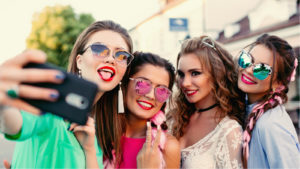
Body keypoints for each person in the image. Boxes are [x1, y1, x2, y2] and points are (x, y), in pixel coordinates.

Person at [0, 20, 134, 168]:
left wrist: (89, 149)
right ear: (79, 61)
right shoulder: (49, 103)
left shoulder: (98, 133)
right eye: (99, 49)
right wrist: (3, 104)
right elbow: (15, 123)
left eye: (121, 55)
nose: (110, 59)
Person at [168, 36, 245, 169]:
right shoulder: (174, 118)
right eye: (181, 74)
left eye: (195, 73)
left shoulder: (228, 131)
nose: (185, 83)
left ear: (217, 75)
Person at [104, 52, 181, 168]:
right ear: (124, 83)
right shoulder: (100, 133)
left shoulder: (168, 147)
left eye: (162, 90)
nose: (151, 95)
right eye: (143, 84)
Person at [239, 34, 300, 168]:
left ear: (279, 83)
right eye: (246, 60)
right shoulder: (246, 110)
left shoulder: (271, 124)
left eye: (261, 69)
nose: (248, 70)